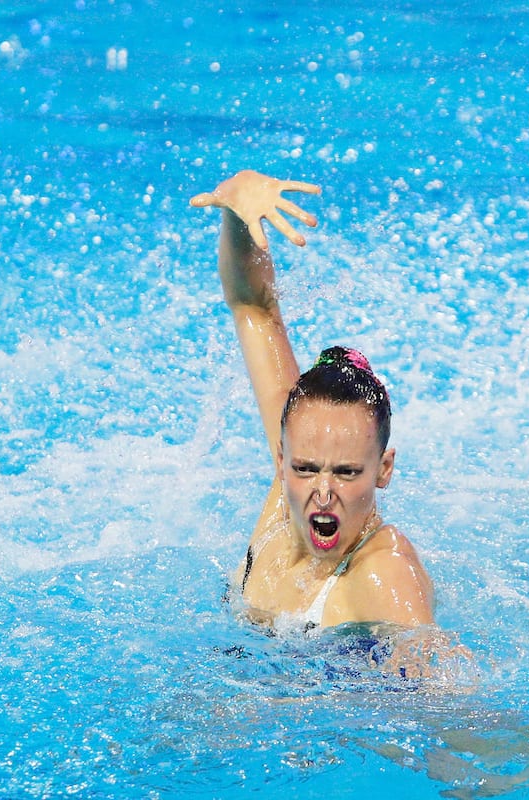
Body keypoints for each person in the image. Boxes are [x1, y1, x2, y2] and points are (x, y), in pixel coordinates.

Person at [191, 170, 436, 630]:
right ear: (282, 457)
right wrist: (239, 216)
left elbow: (442, 687)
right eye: (305, 469)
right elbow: (254, 308)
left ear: (384, 470)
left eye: (347, 473)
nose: (322, 494)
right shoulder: (287, 498)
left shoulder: (385, 573)